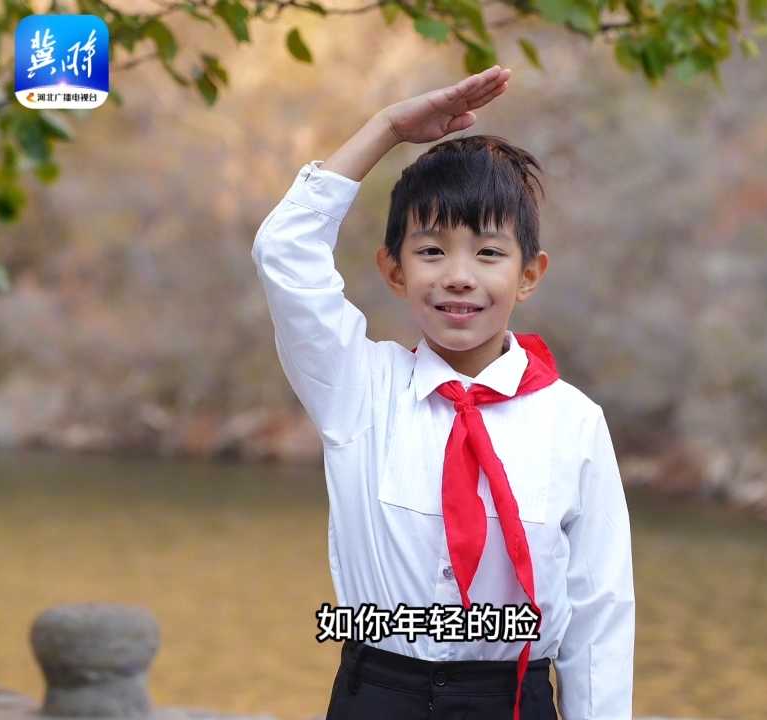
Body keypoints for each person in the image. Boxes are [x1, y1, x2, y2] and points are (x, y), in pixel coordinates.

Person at [251, 65, 635, 720]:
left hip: (511, 699)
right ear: (393, 270)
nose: (459, 276)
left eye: (488, 254)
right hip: (379, 696)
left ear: (529, 274)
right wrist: (386, 130)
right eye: (431, 252)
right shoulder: (358, 389)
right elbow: (285, 252)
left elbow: (600, 615)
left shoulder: (572, 423)